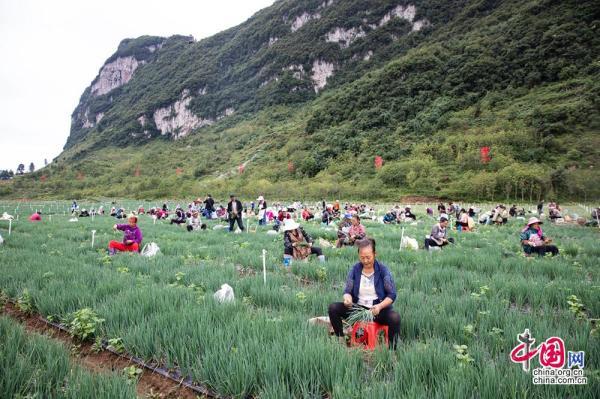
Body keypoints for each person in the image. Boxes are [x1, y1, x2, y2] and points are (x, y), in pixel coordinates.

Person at [328, 238, 401, 349]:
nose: (365, 261)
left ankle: (392, 351)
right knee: (333, 308)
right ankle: (340, 339)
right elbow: (347, 291)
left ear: (375, 254)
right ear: (359, 256)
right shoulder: (355, 269)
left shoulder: (383, 270)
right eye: (362, 258)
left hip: (376, 311)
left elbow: (392, 294)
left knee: (395, 318)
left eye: (368, 257)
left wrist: (380, 306)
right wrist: (347, 299)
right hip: (358, 309)